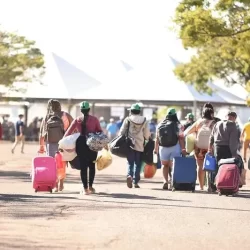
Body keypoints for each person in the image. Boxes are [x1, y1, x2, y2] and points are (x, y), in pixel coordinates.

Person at [64, 101, 102, 195]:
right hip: (93, 144)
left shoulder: (77, 120)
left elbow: (67, 134)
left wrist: (62, 144)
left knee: (83, 167)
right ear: (89, 109)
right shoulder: (94, 119)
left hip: (81, 143)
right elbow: (100, 132)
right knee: (92, 165)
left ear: (81, 110)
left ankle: (85, 189)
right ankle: (90, 187)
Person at [39, 99, 73, 192]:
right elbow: (75, 127)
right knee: (62, 163)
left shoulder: (46, 117)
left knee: (52, 164)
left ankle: (55, 185)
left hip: (50, 143)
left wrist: (41, 146)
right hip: (64, 142)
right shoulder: (66, 115)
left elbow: (42, 133)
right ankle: (61, 184)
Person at [119, 103, 150, 188]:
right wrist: (147, 138)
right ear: (139, 111)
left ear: (131, 111)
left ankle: (129, 175)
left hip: (129, 144)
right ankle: (135, 182)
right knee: (138, 163)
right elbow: (146, 133)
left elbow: (122, 131)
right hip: (140, 144)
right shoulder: (144, 120)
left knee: (130, 162)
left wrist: (120, 138)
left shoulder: (128, 119)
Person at [154, 108, 186, 190]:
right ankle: (172, 182)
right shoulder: (178, 124)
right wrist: (183, 149)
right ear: (175, 115)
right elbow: (181, 138)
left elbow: (157, 138)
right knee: (173, 166)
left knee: (165, 165)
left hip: (163, 148)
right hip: (174, 147)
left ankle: (165, 181)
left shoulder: (160, 124)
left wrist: (155, 149)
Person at [185, 108, 216, 191]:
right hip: (210, 147)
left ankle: (201, 186)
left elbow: (187, 132)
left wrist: (196, 134)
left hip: (199, 147)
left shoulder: (198, 122)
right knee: (211, 166)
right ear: (211, 114)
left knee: (200, 166)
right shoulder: (214, 123)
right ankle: (209, 186)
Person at [208, 111, 239, 191]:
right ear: (234, 118)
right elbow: (233, 141)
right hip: (227, 148)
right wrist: (234, 153)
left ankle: (215, 185)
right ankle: (224, 185)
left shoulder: (217, 124)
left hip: (217, 147)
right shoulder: (233, 125)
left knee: (217, 166)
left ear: (226, 116)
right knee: (227, 167)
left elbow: (211, 137)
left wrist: (210, 148)